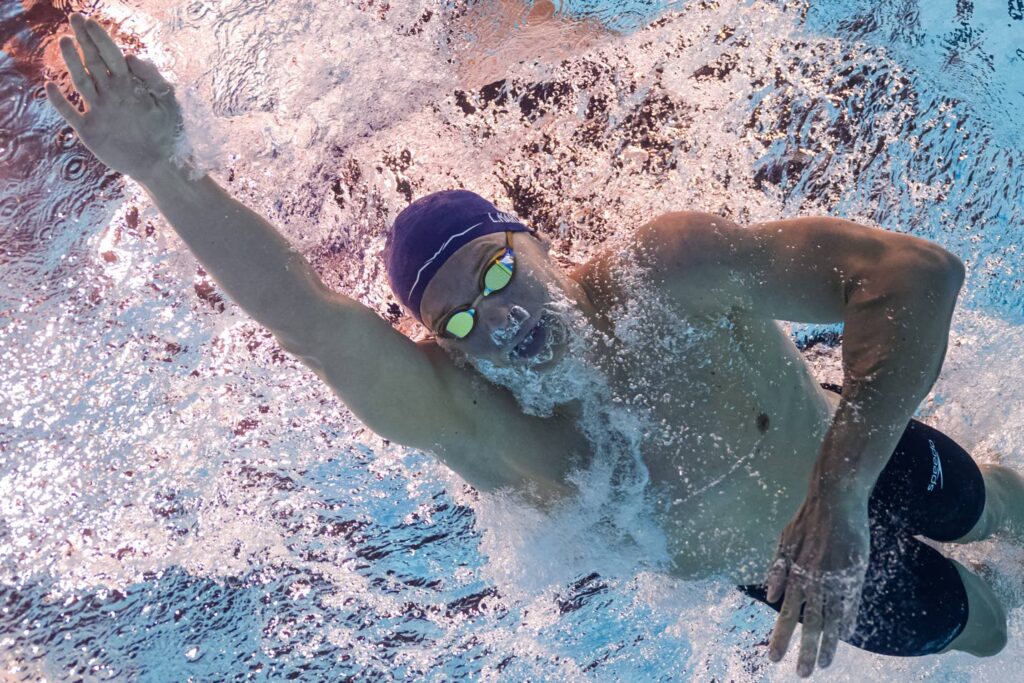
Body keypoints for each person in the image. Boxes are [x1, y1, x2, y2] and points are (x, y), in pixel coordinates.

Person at [46, 12, 1022, 677]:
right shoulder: (493, 431)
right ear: (451, 352)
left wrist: (840, 486)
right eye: (462, 319)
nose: (498, 318)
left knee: (995, 500)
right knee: (981, 628)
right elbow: (309, 316)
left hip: (862, 459)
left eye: (497, 273)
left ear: (534, 239)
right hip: (796, 581)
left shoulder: (669, 273)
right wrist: (164, 171)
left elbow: (915, 276)